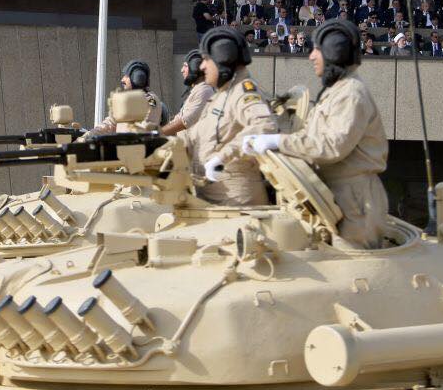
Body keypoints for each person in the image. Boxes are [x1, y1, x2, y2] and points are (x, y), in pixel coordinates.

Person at [240, 20, 389, 249]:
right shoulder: (337, 91)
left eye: (316, 50)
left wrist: (277, 141)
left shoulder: (351, 94)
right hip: (336, 195)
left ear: (334, 51)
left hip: (355, 201)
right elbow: (310, 136)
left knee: (350, 264)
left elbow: (331, 147)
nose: (311, 57)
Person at [186, 27, 277, 207]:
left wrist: (223, 157)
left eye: (206, 60)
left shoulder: (243, 92)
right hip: (210, 199)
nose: (202, 67)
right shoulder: (221, 95)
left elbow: (265, 126)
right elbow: (195, 135)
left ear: (223, 58)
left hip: (237, 203)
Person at [83, 60, 165, 138]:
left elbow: (146, 125)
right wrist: (89, 135)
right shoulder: (128, 101)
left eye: (126, 76)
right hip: (122, 145)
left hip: (140, 146)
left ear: (137, 77)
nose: (122, 80)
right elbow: (110, 123)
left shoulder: (151, 100)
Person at [160, 50, 214, 136]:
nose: (182, 70)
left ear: (195, 67)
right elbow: (178, 118)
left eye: (185, 66)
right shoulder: (197, 89)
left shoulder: (204, 91)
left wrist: (158, 133)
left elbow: (184, 122)